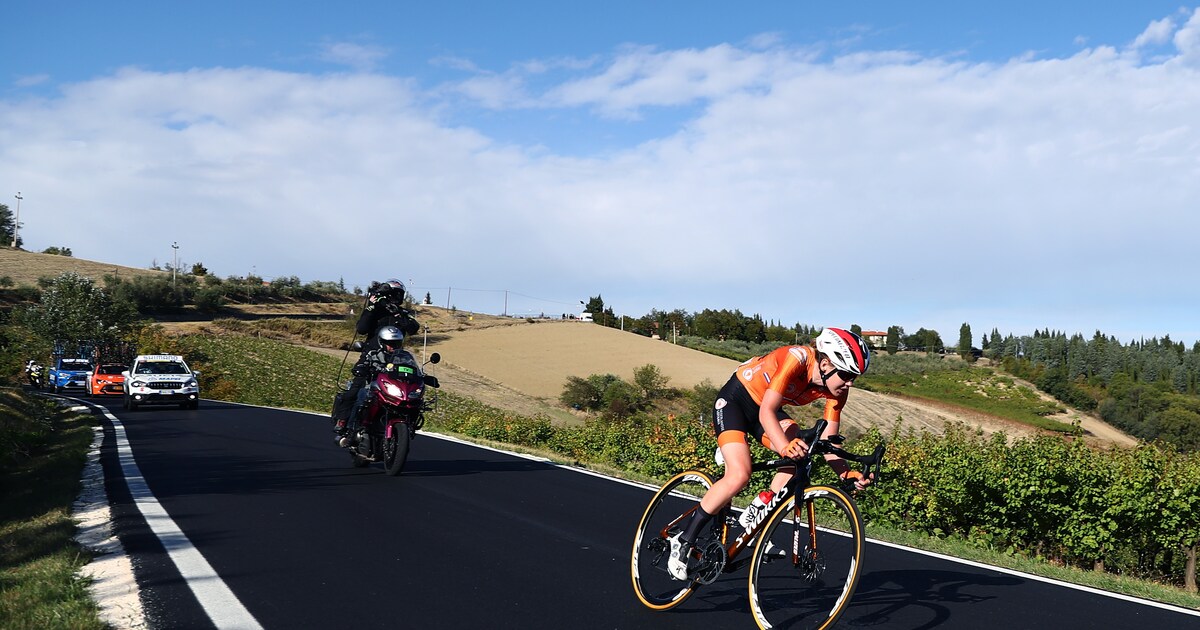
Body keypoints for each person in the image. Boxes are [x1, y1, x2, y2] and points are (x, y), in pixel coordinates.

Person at [667, 327, 874, 580]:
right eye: (846, 374)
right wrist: (784, 446)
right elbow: (766, 411)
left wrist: (846, 472)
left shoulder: (837, 390)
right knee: (740, 474)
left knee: (801, 454)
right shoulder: (796, 358)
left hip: (766, 411)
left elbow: (829, 441)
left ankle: (753, 516)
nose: (850, 382)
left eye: (855, 376)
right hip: (737, 401)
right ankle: (684, 540)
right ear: (826, 363)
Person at [333, 279, 421, 436]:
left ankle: (405, 426)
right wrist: (371, 307)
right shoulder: (375, 310)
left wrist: (397, 313)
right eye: (394, 294)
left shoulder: (400, 314)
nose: (397, 297)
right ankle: (343, 421)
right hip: (371, 356)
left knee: (408, 393)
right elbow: (361, 329)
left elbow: (413, 328)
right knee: (356, 390)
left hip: (394, 360)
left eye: (399, 294)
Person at [338, 325, 409, 447]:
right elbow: (362, 363)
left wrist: (421, 376)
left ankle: (405, 430)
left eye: (396, 343)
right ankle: (350, 430)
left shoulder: (403, 358)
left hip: (392, 389)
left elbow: (410, 368)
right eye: (390, 343)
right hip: (373, 386)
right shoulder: (373, 354)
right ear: (382, 342)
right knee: (362, 398)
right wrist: (361, 368)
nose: (393, 346)